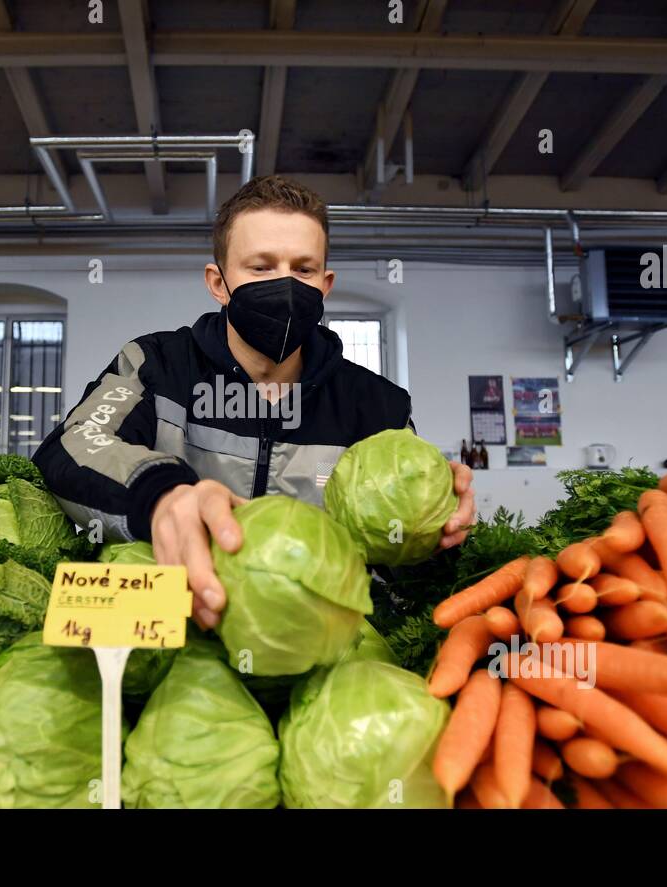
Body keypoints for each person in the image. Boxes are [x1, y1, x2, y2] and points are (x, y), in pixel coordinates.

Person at [34, 175, 476, 628]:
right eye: (260, 267)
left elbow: (403, 564)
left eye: (302, 270)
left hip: (311, 642)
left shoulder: (377, 405)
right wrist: (161, 496)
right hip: (178, 630)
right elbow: (73, 446)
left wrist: (436, 516)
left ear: (325, 285)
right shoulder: (156, 365)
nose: (284, 285)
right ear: (219, 283)